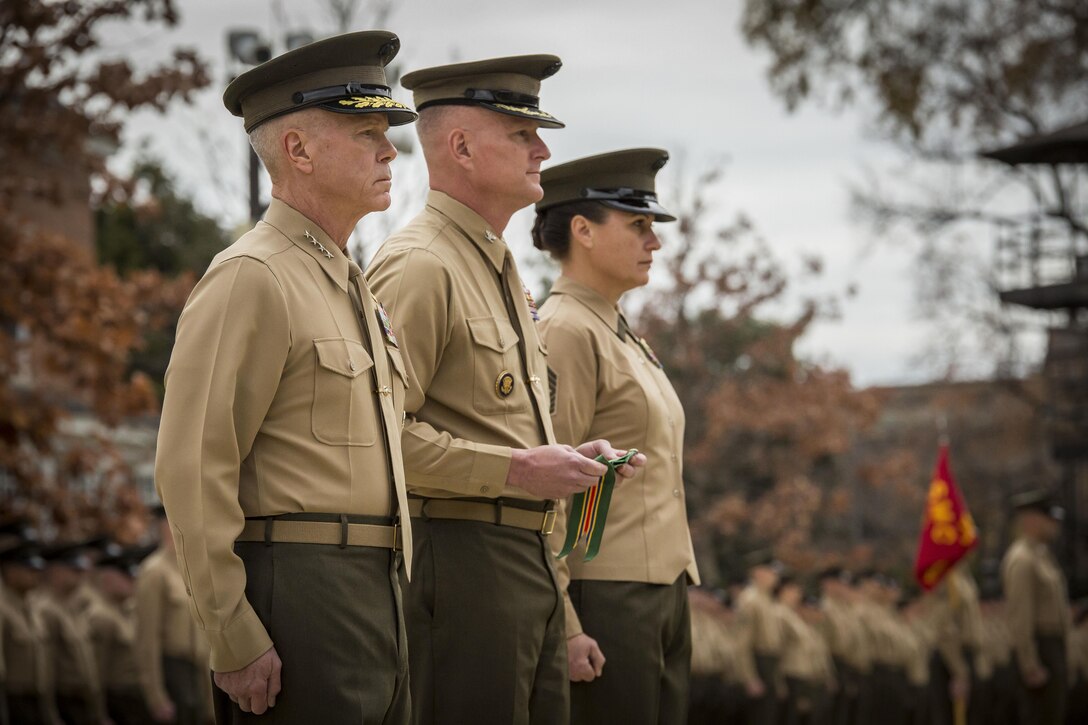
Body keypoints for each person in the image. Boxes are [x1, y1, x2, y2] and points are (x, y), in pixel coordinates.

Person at [367, 55, 643, 724]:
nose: (543, 149)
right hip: (462, 564)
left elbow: (483, 419)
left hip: (525, 560)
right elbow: (376, 441)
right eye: (522, 133)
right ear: (460, 146)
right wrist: (519, 468)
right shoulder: (420, 266)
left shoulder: (495, 265)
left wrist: (567, 457)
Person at [155, 30, 418, 724]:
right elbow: (192, 464)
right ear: (298, 150)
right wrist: (231, 632)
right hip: (301, 591)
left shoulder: (347, 282)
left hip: (375, 589)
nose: (389, 148)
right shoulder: (253, 276)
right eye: (366, 131)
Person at [530, 147, 699, 724]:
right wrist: (569, 623)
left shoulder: (618, 331)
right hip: (605, 592)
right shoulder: (567, 329)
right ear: (583, 230)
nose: (654, 242)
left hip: (661, 588)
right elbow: (544, 486)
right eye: (638, 225)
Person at [134, 506, 210, 725]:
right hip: (173, 669)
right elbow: (146, 640)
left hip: (198, 671)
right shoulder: (154, 572)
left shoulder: (191, 568)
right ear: (163, 526)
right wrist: (156, 697)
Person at [1001, 489, 1071, 725]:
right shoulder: (1022, 559)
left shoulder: (1041, 556)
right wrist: (1030, 664)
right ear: (1031, 520)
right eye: (1049, 519)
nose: (1055, 526)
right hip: (1040, 648)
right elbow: (1020, 616)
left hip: (1052, 646)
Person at [35, 541, 106, 725]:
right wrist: (50, 714)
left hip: (83, 701)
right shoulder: (46, 610)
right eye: (74, 570)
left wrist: (99, 713)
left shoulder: (72, 608)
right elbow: (45, 671)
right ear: (55, 571)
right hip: (65, 700)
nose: (81, 575)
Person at [87, 547, 153, 725]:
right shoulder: (100, 616)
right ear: (108, 578)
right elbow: (96, 672)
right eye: (125, 577)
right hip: (118, 698)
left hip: (134, 695)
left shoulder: (125, 611)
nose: (132, 581)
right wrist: (99, 714)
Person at [0, 537, 55, 725]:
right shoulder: (3, 609)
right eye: (29, 569)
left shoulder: (32, 608)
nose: (35, 575)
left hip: (37, 698)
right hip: (14, 699)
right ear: (9, 571)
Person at [734, 550, 786, 725]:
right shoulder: (750, 600)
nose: (775, 577)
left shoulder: (768, 600)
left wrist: (777, 680)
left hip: (770, 664)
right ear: (758, 572)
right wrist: (749, 677)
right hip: (758, 662)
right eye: (772, 572)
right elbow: (742, 642)